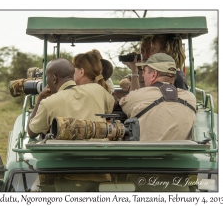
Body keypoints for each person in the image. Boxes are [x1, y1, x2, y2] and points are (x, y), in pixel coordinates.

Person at [27, 58, 114, 191]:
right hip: (100, 172)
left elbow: (32, 131)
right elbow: (110, 108)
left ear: (54, 79)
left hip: (68, 176)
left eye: (47, 77)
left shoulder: (49, 102)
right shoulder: (98, 90)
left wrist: (40, 99)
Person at [119, 53, 196, 141]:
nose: (143, 75)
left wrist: (134, 72)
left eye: (144, 71)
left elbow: (125, 104)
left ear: (153, 74)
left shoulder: (136, 96)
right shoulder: (191, 98)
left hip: (145, 153)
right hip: (180, 153)